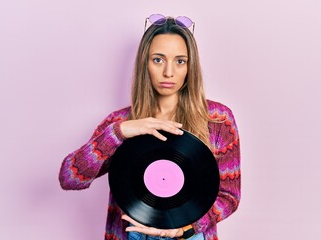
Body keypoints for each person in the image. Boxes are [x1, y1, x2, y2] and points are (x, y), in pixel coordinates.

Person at [59, 14, 241, 240]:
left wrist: (186, 229)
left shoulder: (218, 120)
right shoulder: (120, 123)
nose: (168, 72)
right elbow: (69, 178)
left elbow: (229, 196)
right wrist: (119, 132)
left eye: (180, 61)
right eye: (158, 59)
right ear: (145, 62)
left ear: (190, 66)